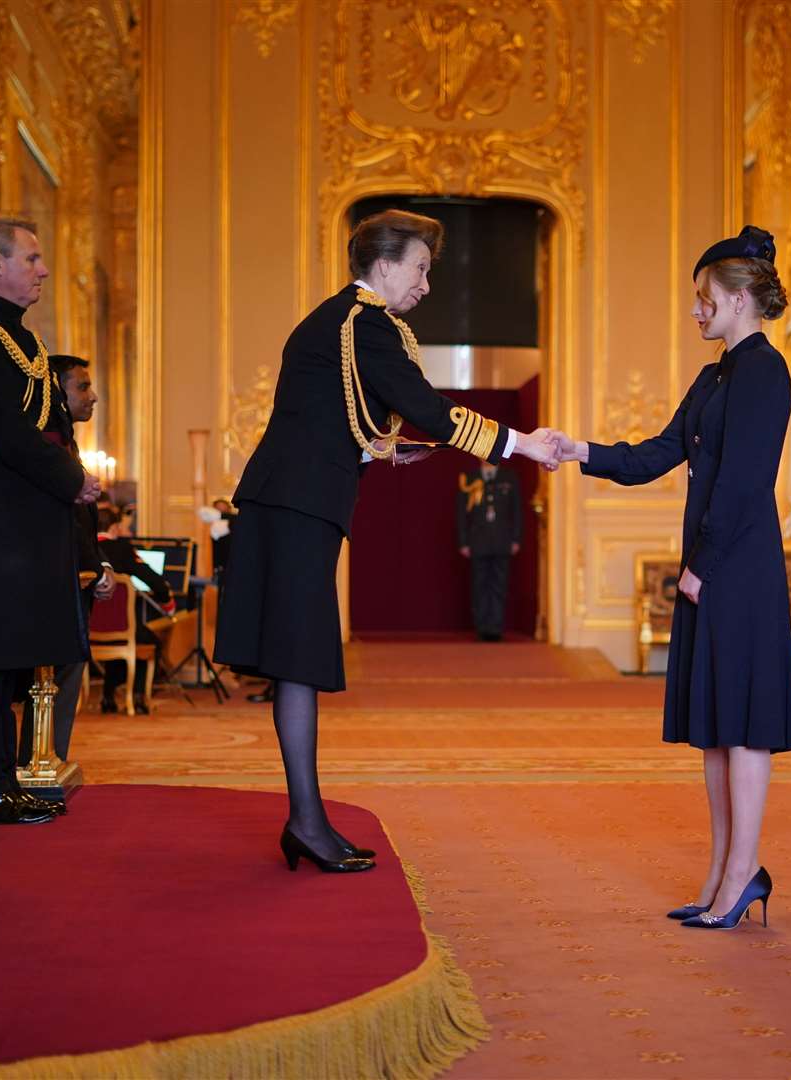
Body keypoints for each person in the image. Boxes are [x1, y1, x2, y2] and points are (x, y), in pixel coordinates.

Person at [213, 208, 562, 874]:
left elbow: (332, 410)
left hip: (296, 500)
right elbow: (427, 407)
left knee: (300, 660)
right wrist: (520, 442)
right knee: (299, 659)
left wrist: (377, 451)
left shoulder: (347, 321)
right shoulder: (365, 324)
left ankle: (308, 820)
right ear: (385, 264)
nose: (427, 285)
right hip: (294, 505)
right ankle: (307, 822)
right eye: (423, 269)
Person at [556, 226, 791, 930]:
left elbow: (747, 483)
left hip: (739, 567)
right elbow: (661, 451)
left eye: (704, 299)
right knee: (716, 727)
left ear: (737, 298)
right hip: (716, 563)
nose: (696, 311)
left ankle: (739, 875)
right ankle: (725, 874)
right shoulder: (717, 374)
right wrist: (582, 451)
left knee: (745, 727)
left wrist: (701, 567)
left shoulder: (763, 370)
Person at [0, 216, 101, 825]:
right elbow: (6, 432)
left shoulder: (17, 337)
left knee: (11, 655)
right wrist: (69, 477)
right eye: (31, 258)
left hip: (23, 518)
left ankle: (3, 782)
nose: (43, 269)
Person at [18, 355, 115, 769]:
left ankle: (50, 762)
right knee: (43, 681)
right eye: (82, 387)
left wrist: (101, 567)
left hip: (75, 581)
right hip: (51, 582)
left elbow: (82, 523)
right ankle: (37, 764)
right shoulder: (44, 444)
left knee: (65, 678)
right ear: (57, 390)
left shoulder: (67, 444)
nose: (92, 397)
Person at [96, 504, 173, 714]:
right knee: (147, 640)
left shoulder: (87, 550)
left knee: (119, 637)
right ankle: (139, 696)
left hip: (89, 630)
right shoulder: (122, 549)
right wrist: (169, 605)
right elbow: (155, 582)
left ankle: (108, 696)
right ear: (114, 528)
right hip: (124, 626)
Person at [455, 461, 521, 641]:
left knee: (499, 585)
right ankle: (482, 628)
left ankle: (496, 628)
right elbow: (461, 513)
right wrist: (463, 542)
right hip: (478, 541)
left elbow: (516, 511)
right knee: (479, 586)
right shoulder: (469, 479)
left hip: (502, 540)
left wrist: (515, 539)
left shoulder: (509, 478)